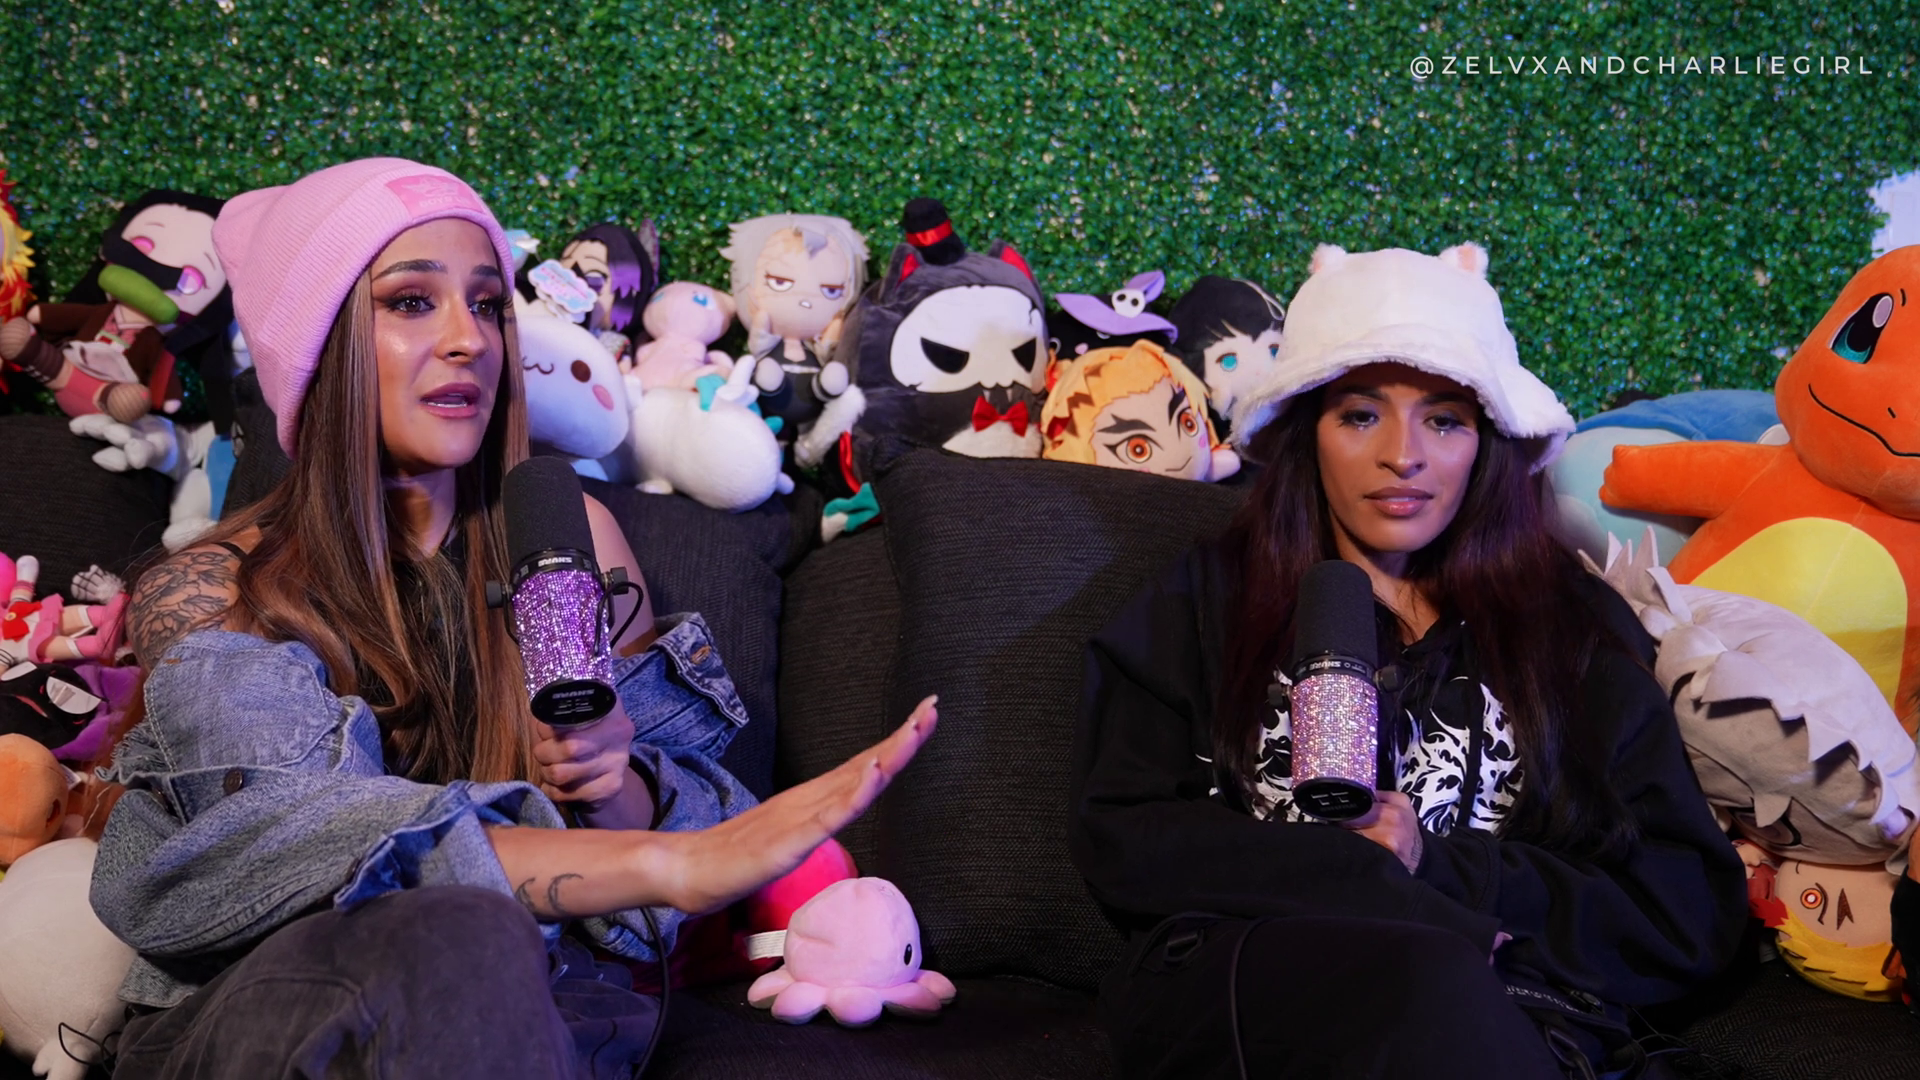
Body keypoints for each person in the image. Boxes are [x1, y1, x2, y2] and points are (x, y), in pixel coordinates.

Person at [89, 158, 936, 1080]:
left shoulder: (575, 541)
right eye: (412, 302)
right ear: (320, 346)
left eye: (488, 304)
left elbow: (670, 867)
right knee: (463, 934)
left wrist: (615, 785)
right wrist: (663, 863)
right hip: (274, 1018)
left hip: (532, 1014)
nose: (471, 340)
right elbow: (289, 844)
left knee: (501, 961)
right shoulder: (212, 588)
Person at [1068, 243, 1747, 1079]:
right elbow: (1124, 835)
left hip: (1504, 1018)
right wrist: (1356, 874)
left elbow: (1685, 910)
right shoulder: (1206, 596)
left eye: (1445, 420)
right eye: (1361, 416)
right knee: (1426, 980)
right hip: (1261, 993)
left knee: (1448, 990)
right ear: (1307, 433)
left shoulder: (1570, 627)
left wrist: (1438, 865)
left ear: (1487, 441)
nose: (1403, 454)